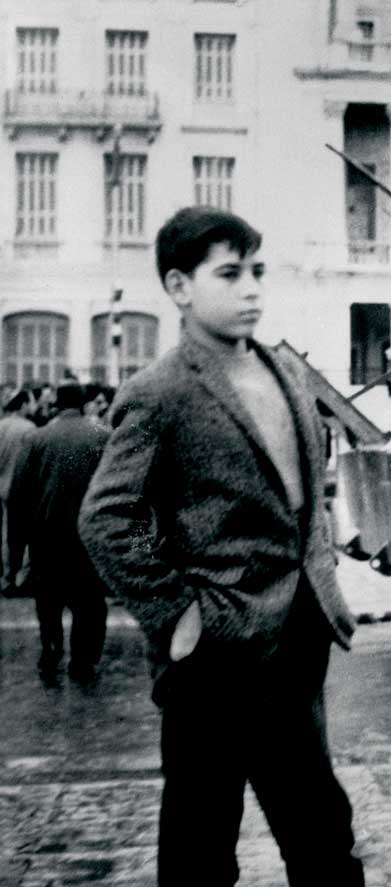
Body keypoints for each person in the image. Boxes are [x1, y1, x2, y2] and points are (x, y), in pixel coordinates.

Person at [78, 206, 364, 886]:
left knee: (321, 831)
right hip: (213, 654)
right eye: (230, 274)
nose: (252, 289)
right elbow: (104, 516)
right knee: (200, 842)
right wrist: (179, 612)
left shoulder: (287, 374)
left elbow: (303, 504)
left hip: (297, 634)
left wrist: (322, 582)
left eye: (257, 272)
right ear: (179, 288)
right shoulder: (161, 391)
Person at [7, 382, 111, 680]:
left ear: (55, 404)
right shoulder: (102, 437)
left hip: (46, 535)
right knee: (89, 602)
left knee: (48, 599)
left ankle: (51, 648)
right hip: (88, 535)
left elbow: (18, 497)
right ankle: (83, 659)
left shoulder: (36, 438)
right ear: (83, 404)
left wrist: (15, 558)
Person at [0, 389, 37, 594]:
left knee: (6, 536)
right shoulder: (29, 428)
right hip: (23, 489)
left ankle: (6, 578)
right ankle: (23, 578)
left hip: (2, 488)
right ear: (23, 405)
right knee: (27, 537)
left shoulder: (1, 426)